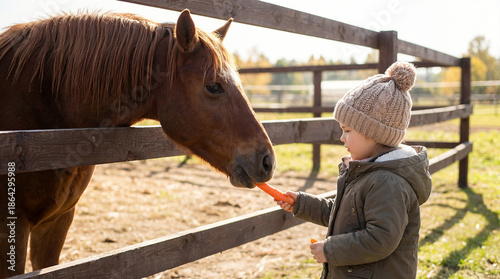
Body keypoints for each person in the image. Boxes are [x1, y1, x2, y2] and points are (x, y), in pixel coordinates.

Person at [276, 61, 432, 278]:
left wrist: (330, 250)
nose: (342, 137)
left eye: (347, 130)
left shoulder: (388, 182)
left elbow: (380, 239)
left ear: (374, 133)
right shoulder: (367, 172)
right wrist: (302, 203)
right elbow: (345, 215)